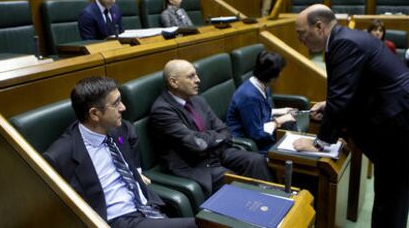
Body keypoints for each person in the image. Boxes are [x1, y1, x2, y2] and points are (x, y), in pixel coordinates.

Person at [293, 4, 409, 228]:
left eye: (301, 34)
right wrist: (329, 105)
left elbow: (341, 98)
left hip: (398, 119)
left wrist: (318, 143)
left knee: (391, 194)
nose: (300, 40)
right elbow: (356, 86)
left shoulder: (343, 43)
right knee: (391, 193)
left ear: (319, 27)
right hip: (395, 116)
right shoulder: (343, 38)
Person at [43, 76, 196, 227]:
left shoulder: (119, 128)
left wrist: (137, 170)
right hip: (118, 220)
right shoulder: (60, 156)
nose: (123, 107)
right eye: (116, 104)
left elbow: (131, 136)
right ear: (95, 114)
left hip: (148, 209)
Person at [149, 59, 273, 196]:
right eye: (191, 76)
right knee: (233, 180)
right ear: (173, 82)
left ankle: (277, 204)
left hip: (215, 154)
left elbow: (225, 131)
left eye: (196, 75)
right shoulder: (162, 110)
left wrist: (210, 140)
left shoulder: (198, 100)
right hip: (194, 165)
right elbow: (196, 144)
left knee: (256, 161)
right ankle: (257, 211)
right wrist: (214, 138)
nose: (198, 80)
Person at [227, 50, 297, 154]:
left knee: (292, 133)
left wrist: (281, 111)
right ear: (272, 75)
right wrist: (279, 121)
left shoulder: (261, 84)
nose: (281, 74)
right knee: (293, 149)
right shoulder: (249, 96)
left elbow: (259, 111)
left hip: (260, 135)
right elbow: (256, 134)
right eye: (280, 71)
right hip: (249, 145)